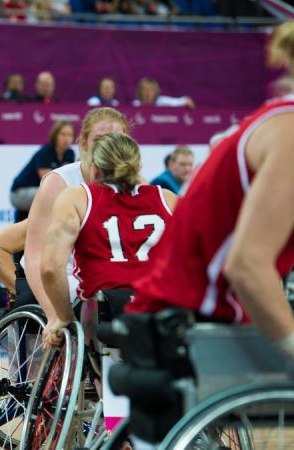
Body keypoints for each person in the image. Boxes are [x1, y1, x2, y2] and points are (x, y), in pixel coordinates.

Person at [128, 21, 294, 361]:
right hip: (188, 324)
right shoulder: (287, 132)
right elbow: (246, 265)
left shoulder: (276, 120)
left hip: (189, 315)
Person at [40, 132, 176, 347]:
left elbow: (49, 267)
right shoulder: (168, 199)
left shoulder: (77, 197)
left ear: (94, 167)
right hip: (163, 307)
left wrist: (63, 317)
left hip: (105, 310)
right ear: (138, 167)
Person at [24, 107, 129, 324]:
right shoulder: (59, 183)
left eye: (115, 139)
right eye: (100, 139)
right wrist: (54, 316)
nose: (107, 146)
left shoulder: (137, 184)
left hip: (115, 278)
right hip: (68, 278)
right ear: (83, 143)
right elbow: (35, 258)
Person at [10, 120, 75, 222]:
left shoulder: (70, 154)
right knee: (53, 194)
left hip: (38, 191)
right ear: (55, 135)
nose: (67, 139)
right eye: (63, 134)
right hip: (19, 193)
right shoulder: (45, 152)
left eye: (70, 135)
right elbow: (47, 182)